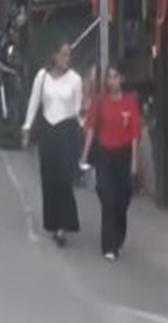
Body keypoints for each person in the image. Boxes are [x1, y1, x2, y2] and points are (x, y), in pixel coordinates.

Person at [23, 42, 86, 246]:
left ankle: (63, 226)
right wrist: (27, 128)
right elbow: (34, 103)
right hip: (48, 131)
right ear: (54, 56)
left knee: (64, 178)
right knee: (49, 178)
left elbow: (78, 110)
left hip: (67, 131)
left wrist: (85, 132)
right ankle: (53, 222)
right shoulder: (42, 77)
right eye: (64, 54)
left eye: (70, 55)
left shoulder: (75, 80)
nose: (67, 58)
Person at [81, 65, 143, 261]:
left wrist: (134, 162)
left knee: (122, 200)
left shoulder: (130, 102)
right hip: (104, 154)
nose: (111, 81)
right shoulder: (100, 102)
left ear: (121, 79)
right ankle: (109, 245)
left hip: (123, 155)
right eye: (108, 77)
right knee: (107, 198)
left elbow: (135, 134)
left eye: (115, 77)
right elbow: (90, 128)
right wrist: (84, 154)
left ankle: (118, 235)